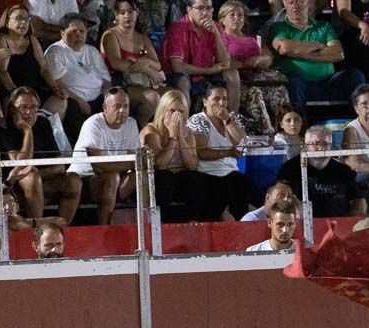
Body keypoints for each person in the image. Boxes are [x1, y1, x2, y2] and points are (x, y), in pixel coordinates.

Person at [0, 86, 82, 223]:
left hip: (43, 181)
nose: (29, 112)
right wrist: (27, 131)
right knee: (31, 176)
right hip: (13, 187)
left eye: (33, 107)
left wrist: (38, 173)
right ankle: (38, 229)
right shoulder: (4, 128)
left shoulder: (43, 123)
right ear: (13, 109)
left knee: (73, 180)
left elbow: (59, 165)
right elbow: (20, 166)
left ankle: (62, 230)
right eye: (23, 108)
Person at [270, 0, 366, 116]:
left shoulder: (323, 26)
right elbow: (285, 48)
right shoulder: (278, 27)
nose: (295, 6)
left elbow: (338, 53)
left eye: (299, 2)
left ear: (308, 3)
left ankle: (360, 122)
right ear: (284, 4)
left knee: (355, 75)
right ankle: (300, 126)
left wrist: (300, 52)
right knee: (293, 79)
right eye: (290, 2)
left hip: (327, 83)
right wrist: (318, 46)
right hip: (300, 85)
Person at [218, 0, 288, 136]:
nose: (237, 19)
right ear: (222, 19)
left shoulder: (255, 39)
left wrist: (260, 60)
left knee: (280, 91)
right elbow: (224, 61)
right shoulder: (220, 39)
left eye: (240, 15)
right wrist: (246, 63)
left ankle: (284, 131)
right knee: (254, 93)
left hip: (260, 78)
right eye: (232, 15)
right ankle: (266, 133)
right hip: (238, 83)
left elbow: (268, 58)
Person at [70, 88, 139, 226]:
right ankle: (104, 228)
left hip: (115, 177)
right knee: (111, 177)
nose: (122, 111)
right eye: (117, 106)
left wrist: (136, 164)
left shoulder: (131, 123)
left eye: (125, 106)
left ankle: (146, 227)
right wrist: (133, 164)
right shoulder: (94, 124)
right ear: (105, 108)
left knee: (143, 174)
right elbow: (99, 166)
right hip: (84, 179)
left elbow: (135, 160)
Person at [0, 6, 68, 120]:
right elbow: (1, 71)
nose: (23, 22)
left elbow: (44, 69)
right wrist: (18, 94)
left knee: (60, 100)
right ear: (7, 22)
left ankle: (44, 126)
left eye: (26, 19)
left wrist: (55, 88)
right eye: (18, 18)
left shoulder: (32, 39)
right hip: (12, 92)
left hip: (34, 92)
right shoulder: (2, 39)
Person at [276, 125, 368, 218]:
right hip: (303, 225)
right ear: (304, 146)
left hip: (338, 225)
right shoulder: (290, 169)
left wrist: (354, 221)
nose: (320, 147)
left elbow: (358, 199)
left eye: (325, 143)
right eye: (315, 143)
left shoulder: (343, 170)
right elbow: (281, 196)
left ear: (331, 147)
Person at [186, 83, 248, 220]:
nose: (221, 103)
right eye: (216, 99)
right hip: (207, 173)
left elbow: (242, 145)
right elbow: (201, 152)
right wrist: (228, 153)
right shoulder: (198, 120)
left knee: (242, 184)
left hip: (231, 172)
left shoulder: (232, 118)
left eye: (224, 99)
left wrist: (227, 120)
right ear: (205, 101)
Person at [45, 14, 111, 139]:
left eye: (82, 31)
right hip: (73, 100)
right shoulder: (55, 51)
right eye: (73, 31)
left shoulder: (92, 51)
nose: (79, 35)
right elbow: (56, 82)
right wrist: (80, 102)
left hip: (98, 99)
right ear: (63, 33)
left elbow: (106, 80)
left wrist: (108, 100)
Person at [162, 0, 236, 111]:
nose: (205, 13)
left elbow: (225, 62)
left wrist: (215, 33)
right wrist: (208, 70)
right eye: (201, 8)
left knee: (232, 73)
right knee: (182, 80)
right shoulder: (178, 28)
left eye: (209, 8)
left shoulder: (214, 26)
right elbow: (177, 67)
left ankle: (231, 119)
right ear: (189, 9)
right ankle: (184, 123)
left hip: (206, 74)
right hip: (182, 75)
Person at [101, 0, 165, 126]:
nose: (127, 16)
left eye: (130, 12)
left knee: (174, 95)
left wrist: (143, 63)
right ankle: (137, 129)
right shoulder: (110, 35)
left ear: (137, 13)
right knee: (153, 98)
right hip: (118, 82)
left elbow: (157, 65)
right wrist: (146, 68)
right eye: (122, 12)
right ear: (116, 15)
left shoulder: (142, 37)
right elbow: (117, 64)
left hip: (142, 82)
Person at [140, 88, 200, 222]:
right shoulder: (151, 131)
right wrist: (172, 138)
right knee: (165, 177)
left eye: (181, 112)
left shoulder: (188, 133)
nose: (176, 115)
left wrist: (179, 135)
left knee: (195, 178)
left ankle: (193, 222)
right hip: (157, 180)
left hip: (180, 180)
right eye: (172, 111)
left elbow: (192, 165)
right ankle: (160, 223)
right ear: (163, 111)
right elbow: (160, 165)